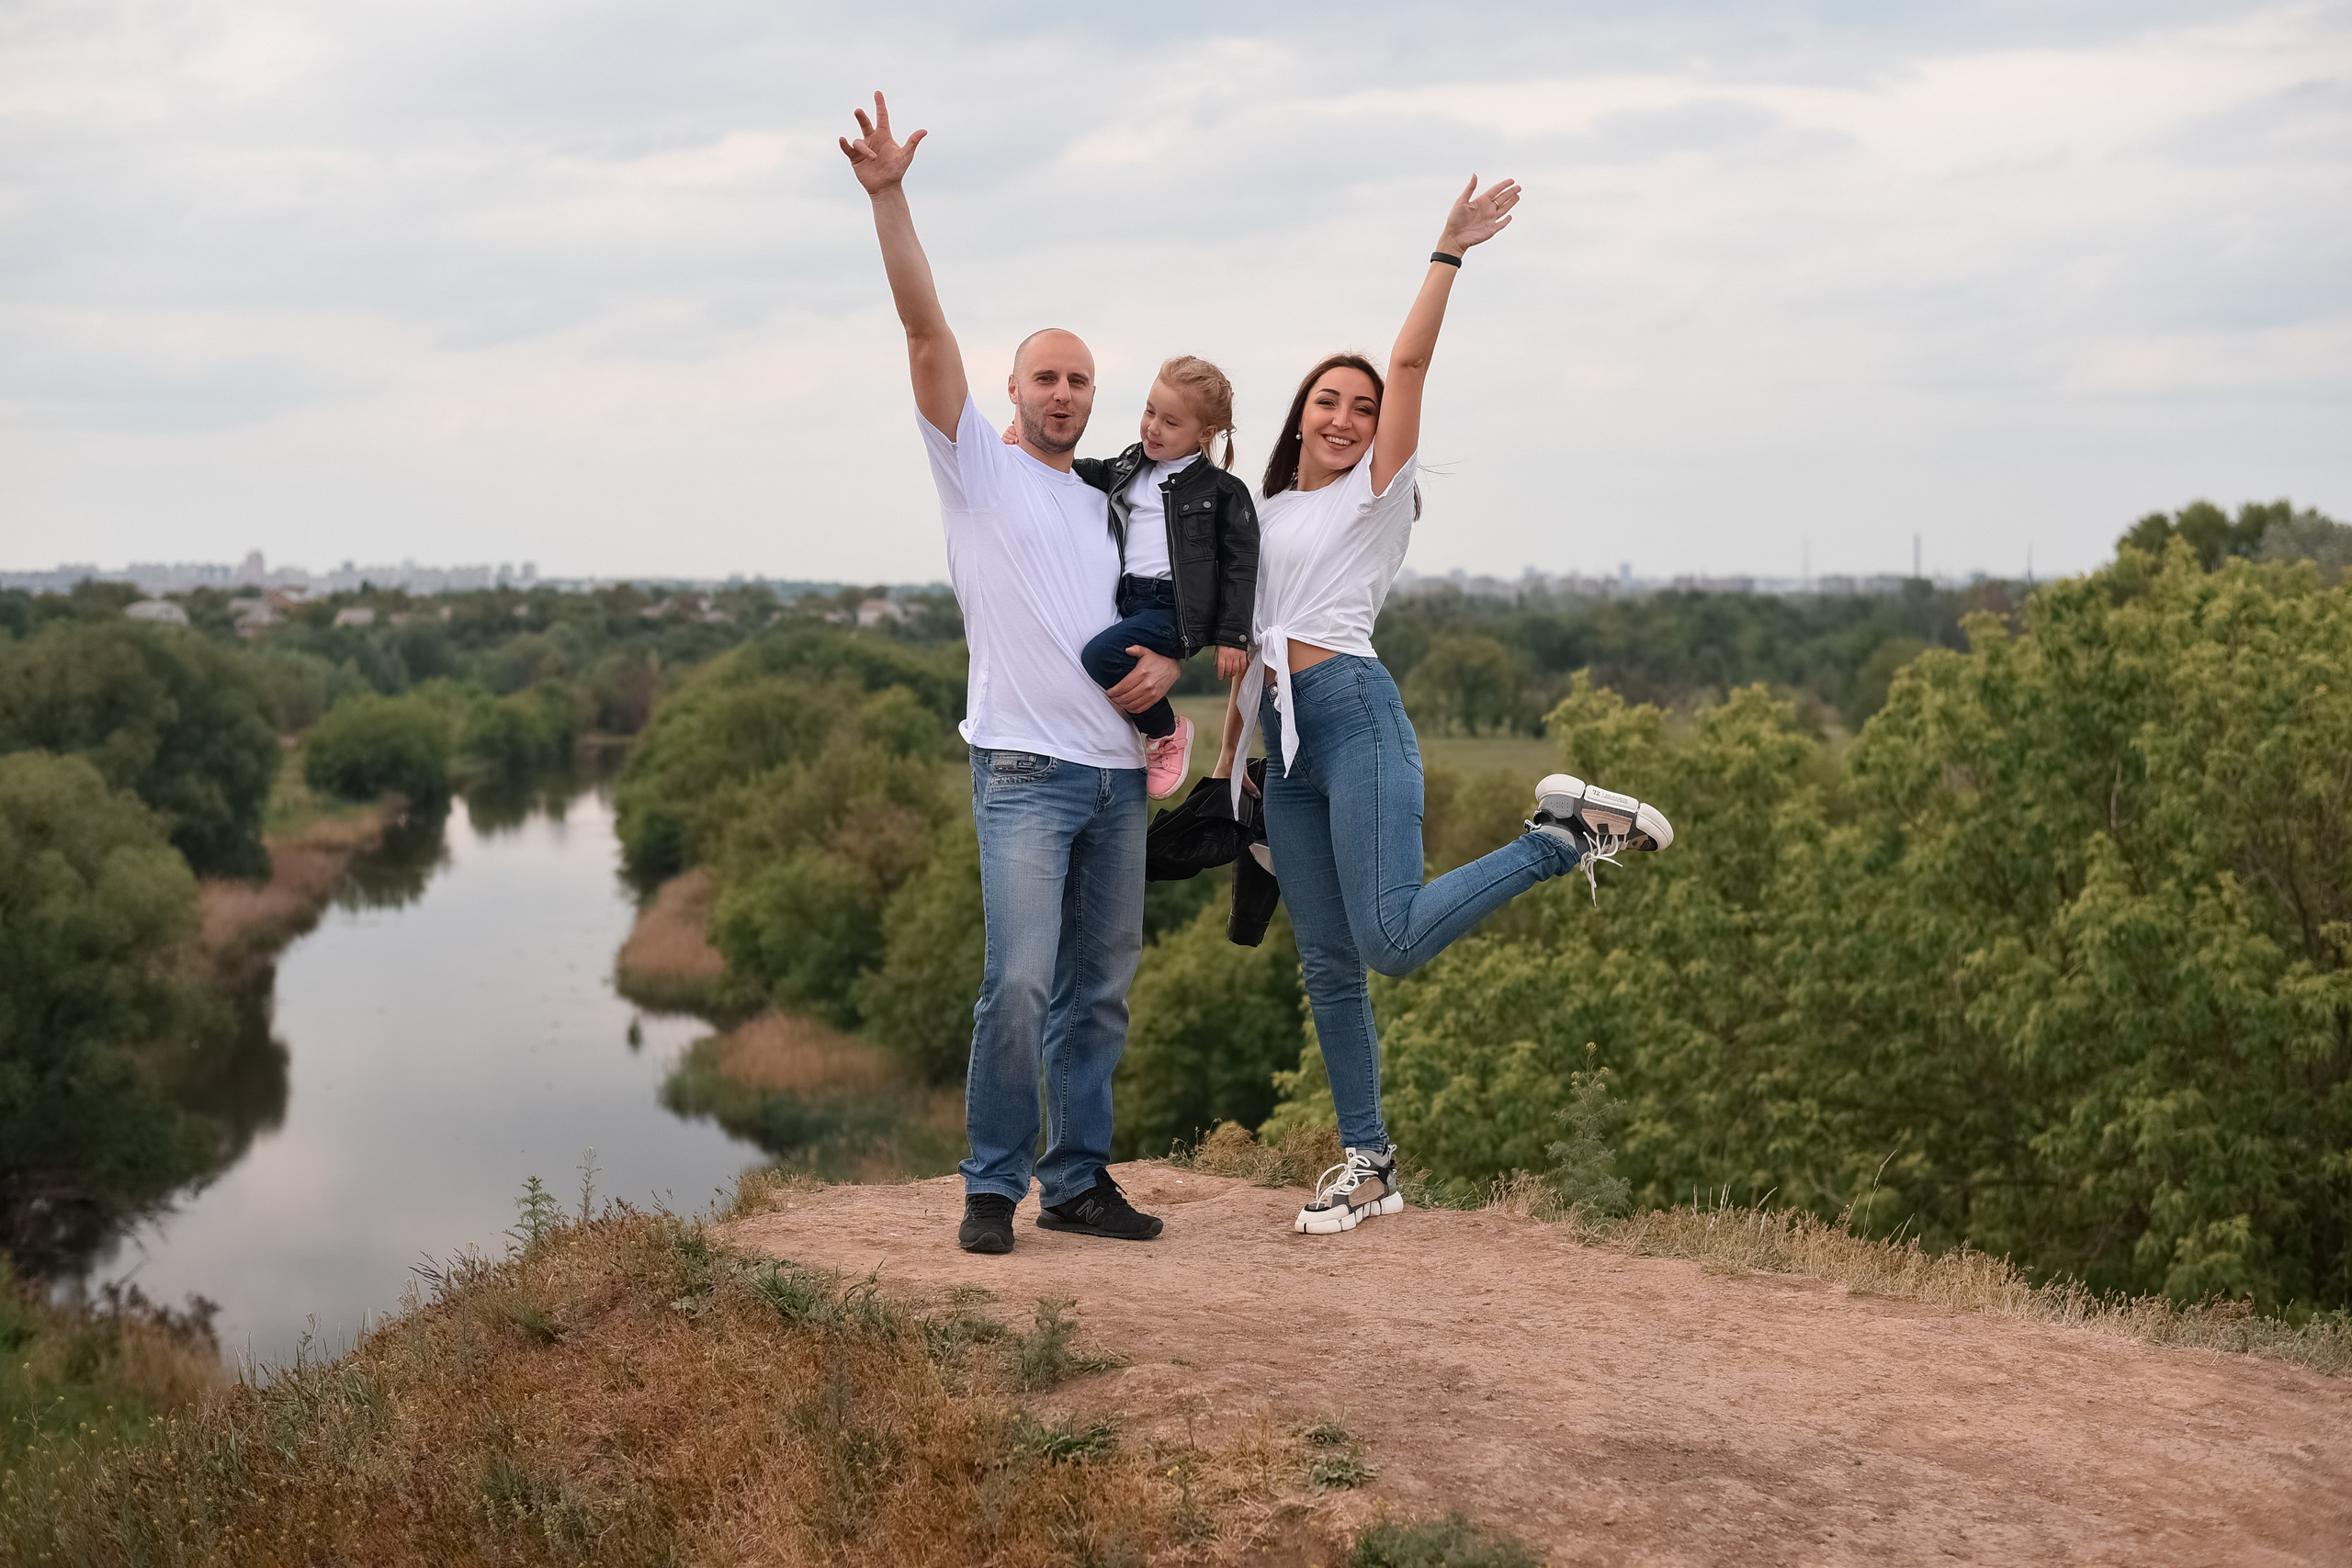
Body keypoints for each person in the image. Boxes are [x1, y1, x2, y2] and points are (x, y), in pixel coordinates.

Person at [1214, 175, 1678, 1238]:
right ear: (1300, 414)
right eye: (1328, 401)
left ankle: (1559, 839)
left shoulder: (1374, 494)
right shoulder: (1268, 507)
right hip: (1283, 746)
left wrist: (1446, 251)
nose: (1345, 417)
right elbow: (1249, 653)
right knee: (1327, 965)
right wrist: (1227, 767)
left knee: (1391, 942)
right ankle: (1367, 1164)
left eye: (1363, 408)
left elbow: (1411, 359)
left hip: (1355, 713)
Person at [840, 92, 1175, 1255]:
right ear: (1016, 392)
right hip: (1026, 772)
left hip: (1117, 781)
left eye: (1082, 381)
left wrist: (1164, 677)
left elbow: (1164, 615)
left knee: (1100, 994)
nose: (1065, 394)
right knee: (1020, 986)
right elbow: (926, 337)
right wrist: (891, 198)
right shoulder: (975, 468)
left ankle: (1078, 1181)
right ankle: (992, 1183)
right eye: (1047, 378)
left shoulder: (1110, 504)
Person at [1022, 358, 1261, 797]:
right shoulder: (1135, 466)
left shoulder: (1222, 491)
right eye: (1150, 411)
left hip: (1176, 608)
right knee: (1101, 664)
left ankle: (1167, 732)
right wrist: (1028, 447)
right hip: (1133, 600)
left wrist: (1233, 636)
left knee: (1099, 656)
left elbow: (1243, 566)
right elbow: (1089, 471)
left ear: (1203, 434)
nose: (1152, 428)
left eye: (1170, 422)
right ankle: (1150, 731)